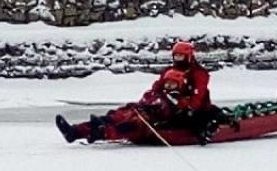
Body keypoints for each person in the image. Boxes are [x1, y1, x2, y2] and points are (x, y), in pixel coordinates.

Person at [55, 40, 222, 145]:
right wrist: (152, 98)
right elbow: (157, 87)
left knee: (136, 123)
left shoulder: (198, 74)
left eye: (181, 57)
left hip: (179, 112)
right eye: (175, 56)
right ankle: (76, 131)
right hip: (157, 106)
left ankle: (103, 132)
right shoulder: (169, 71)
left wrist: (185, 107)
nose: (178, 60)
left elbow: (198, 97)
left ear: (188, 56)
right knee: (122, 113)